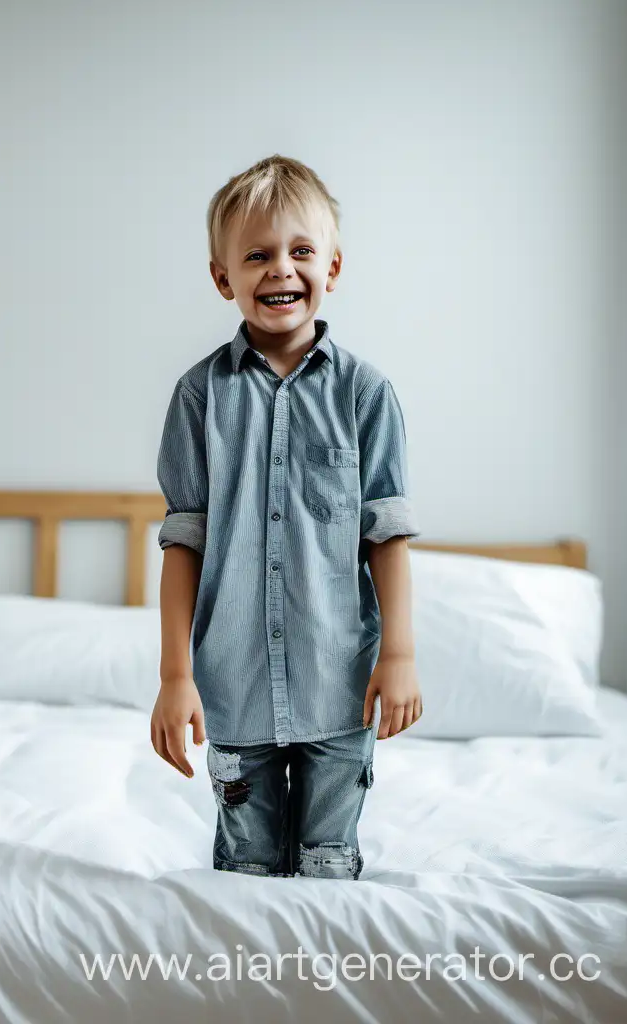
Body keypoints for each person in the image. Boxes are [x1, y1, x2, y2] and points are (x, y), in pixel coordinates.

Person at [152, 154, 422, 879]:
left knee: (328, 865)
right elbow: (184, 543)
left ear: (332, 267)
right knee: (246, 866)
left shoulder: (367, 394)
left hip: (341, 684)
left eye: (301, 251)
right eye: (258, 255)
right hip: (233, 688)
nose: (281, 269)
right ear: (223, 278)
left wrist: (398, 653)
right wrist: (175, 673)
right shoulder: (199, 397)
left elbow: (385, 532)